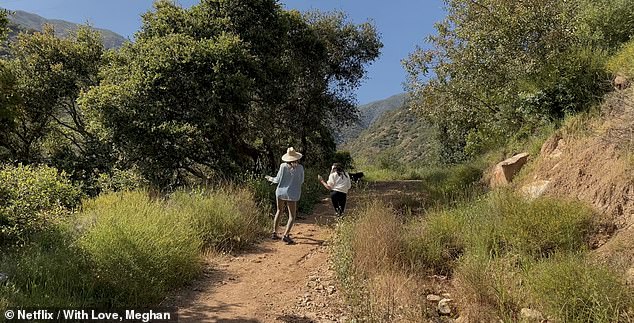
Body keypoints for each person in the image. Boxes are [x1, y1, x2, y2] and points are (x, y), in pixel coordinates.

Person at [265, 147, 304, 244]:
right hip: (292, 193)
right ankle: (286, 235)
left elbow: (277, 179)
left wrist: (270, 178)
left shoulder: (283, 166)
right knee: (292, 216)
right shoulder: (300, 168)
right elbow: (301, 181)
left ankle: (274, 232)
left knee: (279, 211)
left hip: (280, 192)